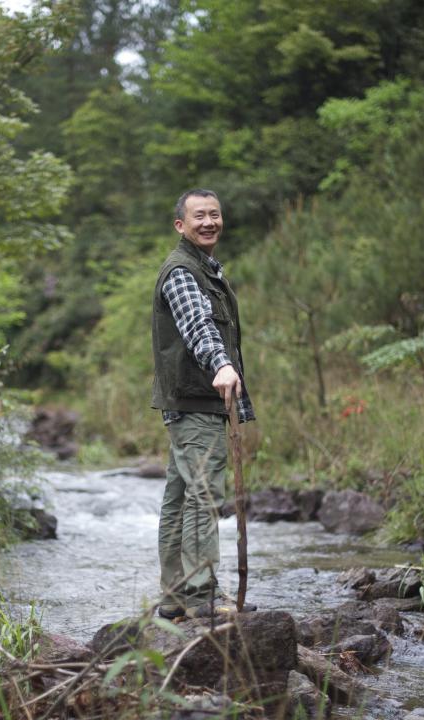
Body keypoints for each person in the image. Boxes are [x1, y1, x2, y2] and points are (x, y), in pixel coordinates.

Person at [151, 188, 257, 619]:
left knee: (180, 495)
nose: (209, 222)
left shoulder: (204, 268)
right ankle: (198, 595)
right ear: (181, 224)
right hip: (198, 401)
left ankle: (177, 596)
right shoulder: (183, 272)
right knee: (201, 495)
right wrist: (222, 364)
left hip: (191, 401)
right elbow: (198, 324)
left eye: (215, 214)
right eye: (199, 216)